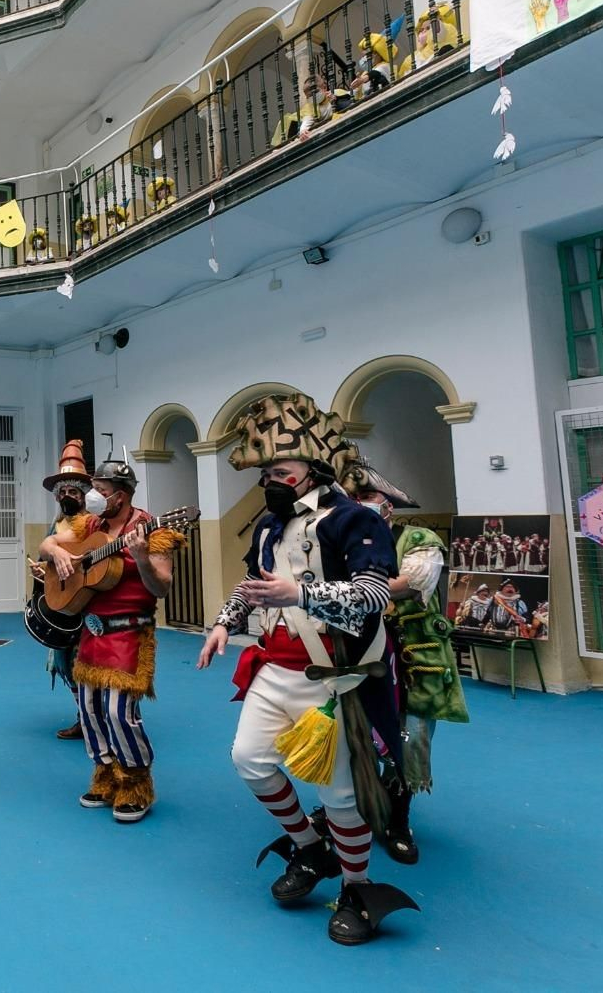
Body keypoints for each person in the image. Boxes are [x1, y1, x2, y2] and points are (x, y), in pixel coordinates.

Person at [198, 393, 417, 946]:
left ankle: (355, 886)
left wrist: (301, 592)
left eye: (280, 469)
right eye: (266, 471)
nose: (270, 479)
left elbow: (371, 595)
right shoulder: (270, 527)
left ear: (314, 469)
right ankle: (309, 847)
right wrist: (227, 619)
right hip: (273, 668)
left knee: (341, 795)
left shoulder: (356, 519)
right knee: (249, 760)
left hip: (334, 678)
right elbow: (253, 584)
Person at [40, 454, 180, 824]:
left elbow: (162, 587)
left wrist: (142, 558)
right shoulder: (90, 526)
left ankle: (135, 782)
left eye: (101, 491)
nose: (93, 496)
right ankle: (104, 773)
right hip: (92, 628)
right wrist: (55, 551)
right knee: (90, 710)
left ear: (121, 496)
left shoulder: (154, 529)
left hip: (130, 630)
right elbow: (49, 544)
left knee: (120, 712)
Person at [342, 460, 469, 865]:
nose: (358, 505)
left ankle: (398, 820)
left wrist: (342, 591)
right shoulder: (339, 544)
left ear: (388, 506)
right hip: (360, 657)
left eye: (366, 498)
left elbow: (411, 583)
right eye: (351, 499)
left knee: (409, 742)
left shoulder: (419, 539)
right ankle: (353, 809)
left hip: (415, 663)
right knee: (350, 734)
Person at [37, 440, 93, 740]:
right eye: (64, 493)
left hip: (88, 602)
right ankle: (82, 716)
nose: (68, 496)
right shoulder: (56, 524)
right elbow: (47, 553)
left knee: (84, 661)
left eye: (74, 491)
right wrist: (43, 568)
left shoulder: (93, 523)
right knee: (63, 659)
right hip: (61, 602)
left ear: (83, 495)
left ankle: (95, 717)